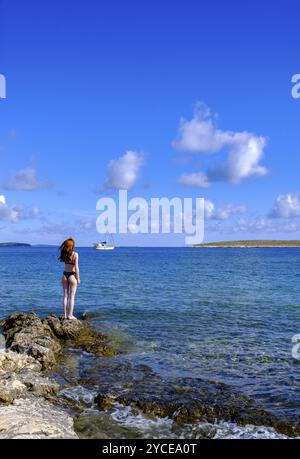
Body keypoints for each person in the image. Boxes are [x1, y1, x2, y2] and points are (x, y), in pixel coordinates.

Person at [59, 238, 80, 320]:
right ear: (72, 246)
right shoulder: (75, 254)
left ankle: (64, 315)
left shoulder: (65, 254)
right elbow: (76, 267)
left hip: (64, 275)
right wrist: (78, 278)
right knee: (72, 297)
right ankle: (70, 315)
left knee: (65, 296)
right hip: (72, 276)